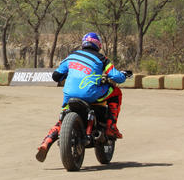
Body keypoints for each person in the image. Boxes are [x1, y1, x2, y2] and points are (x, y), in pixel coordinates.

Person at [36, 32, 128, 162]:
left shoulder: (71, 56)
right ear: (98, 44)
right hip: (91, 94)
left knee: (61, 120)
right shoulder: (102, 58)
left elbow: (56, 76)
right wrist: (124, 75)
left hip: (69, 95)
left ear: (83, 43)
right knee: (116, 92)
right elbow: (116, 77)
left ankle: (46, 142)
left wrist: (67, 75)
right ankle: (111, 126)